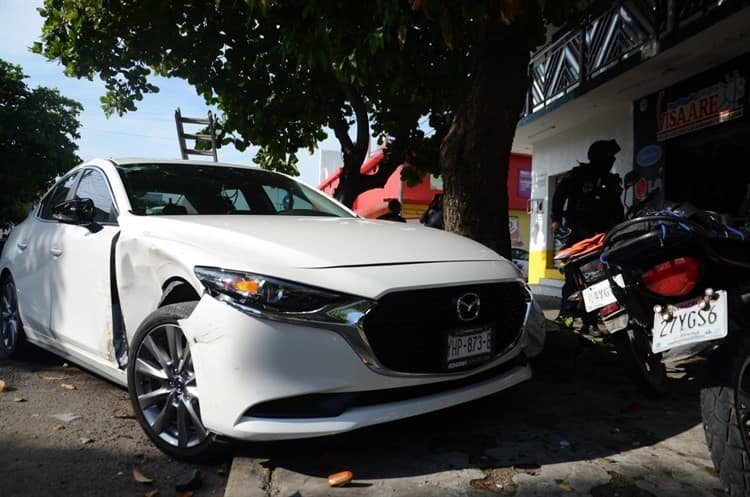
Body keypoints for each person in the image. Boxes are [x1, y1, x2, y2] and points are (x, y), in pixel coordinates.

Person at [551, 139, 625, 328]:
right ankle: (567, 316)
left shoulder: (611, 180)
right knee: (573, 276)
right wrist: (556, 219)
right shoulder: (577, 175)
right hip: (578, 235)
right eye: (609, 156)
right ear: (599, 157)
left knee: (602, 277)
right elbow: (559, 196)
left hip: (604, 236)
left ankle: (594, 319)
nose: (611, 160)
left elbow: (617, 209)